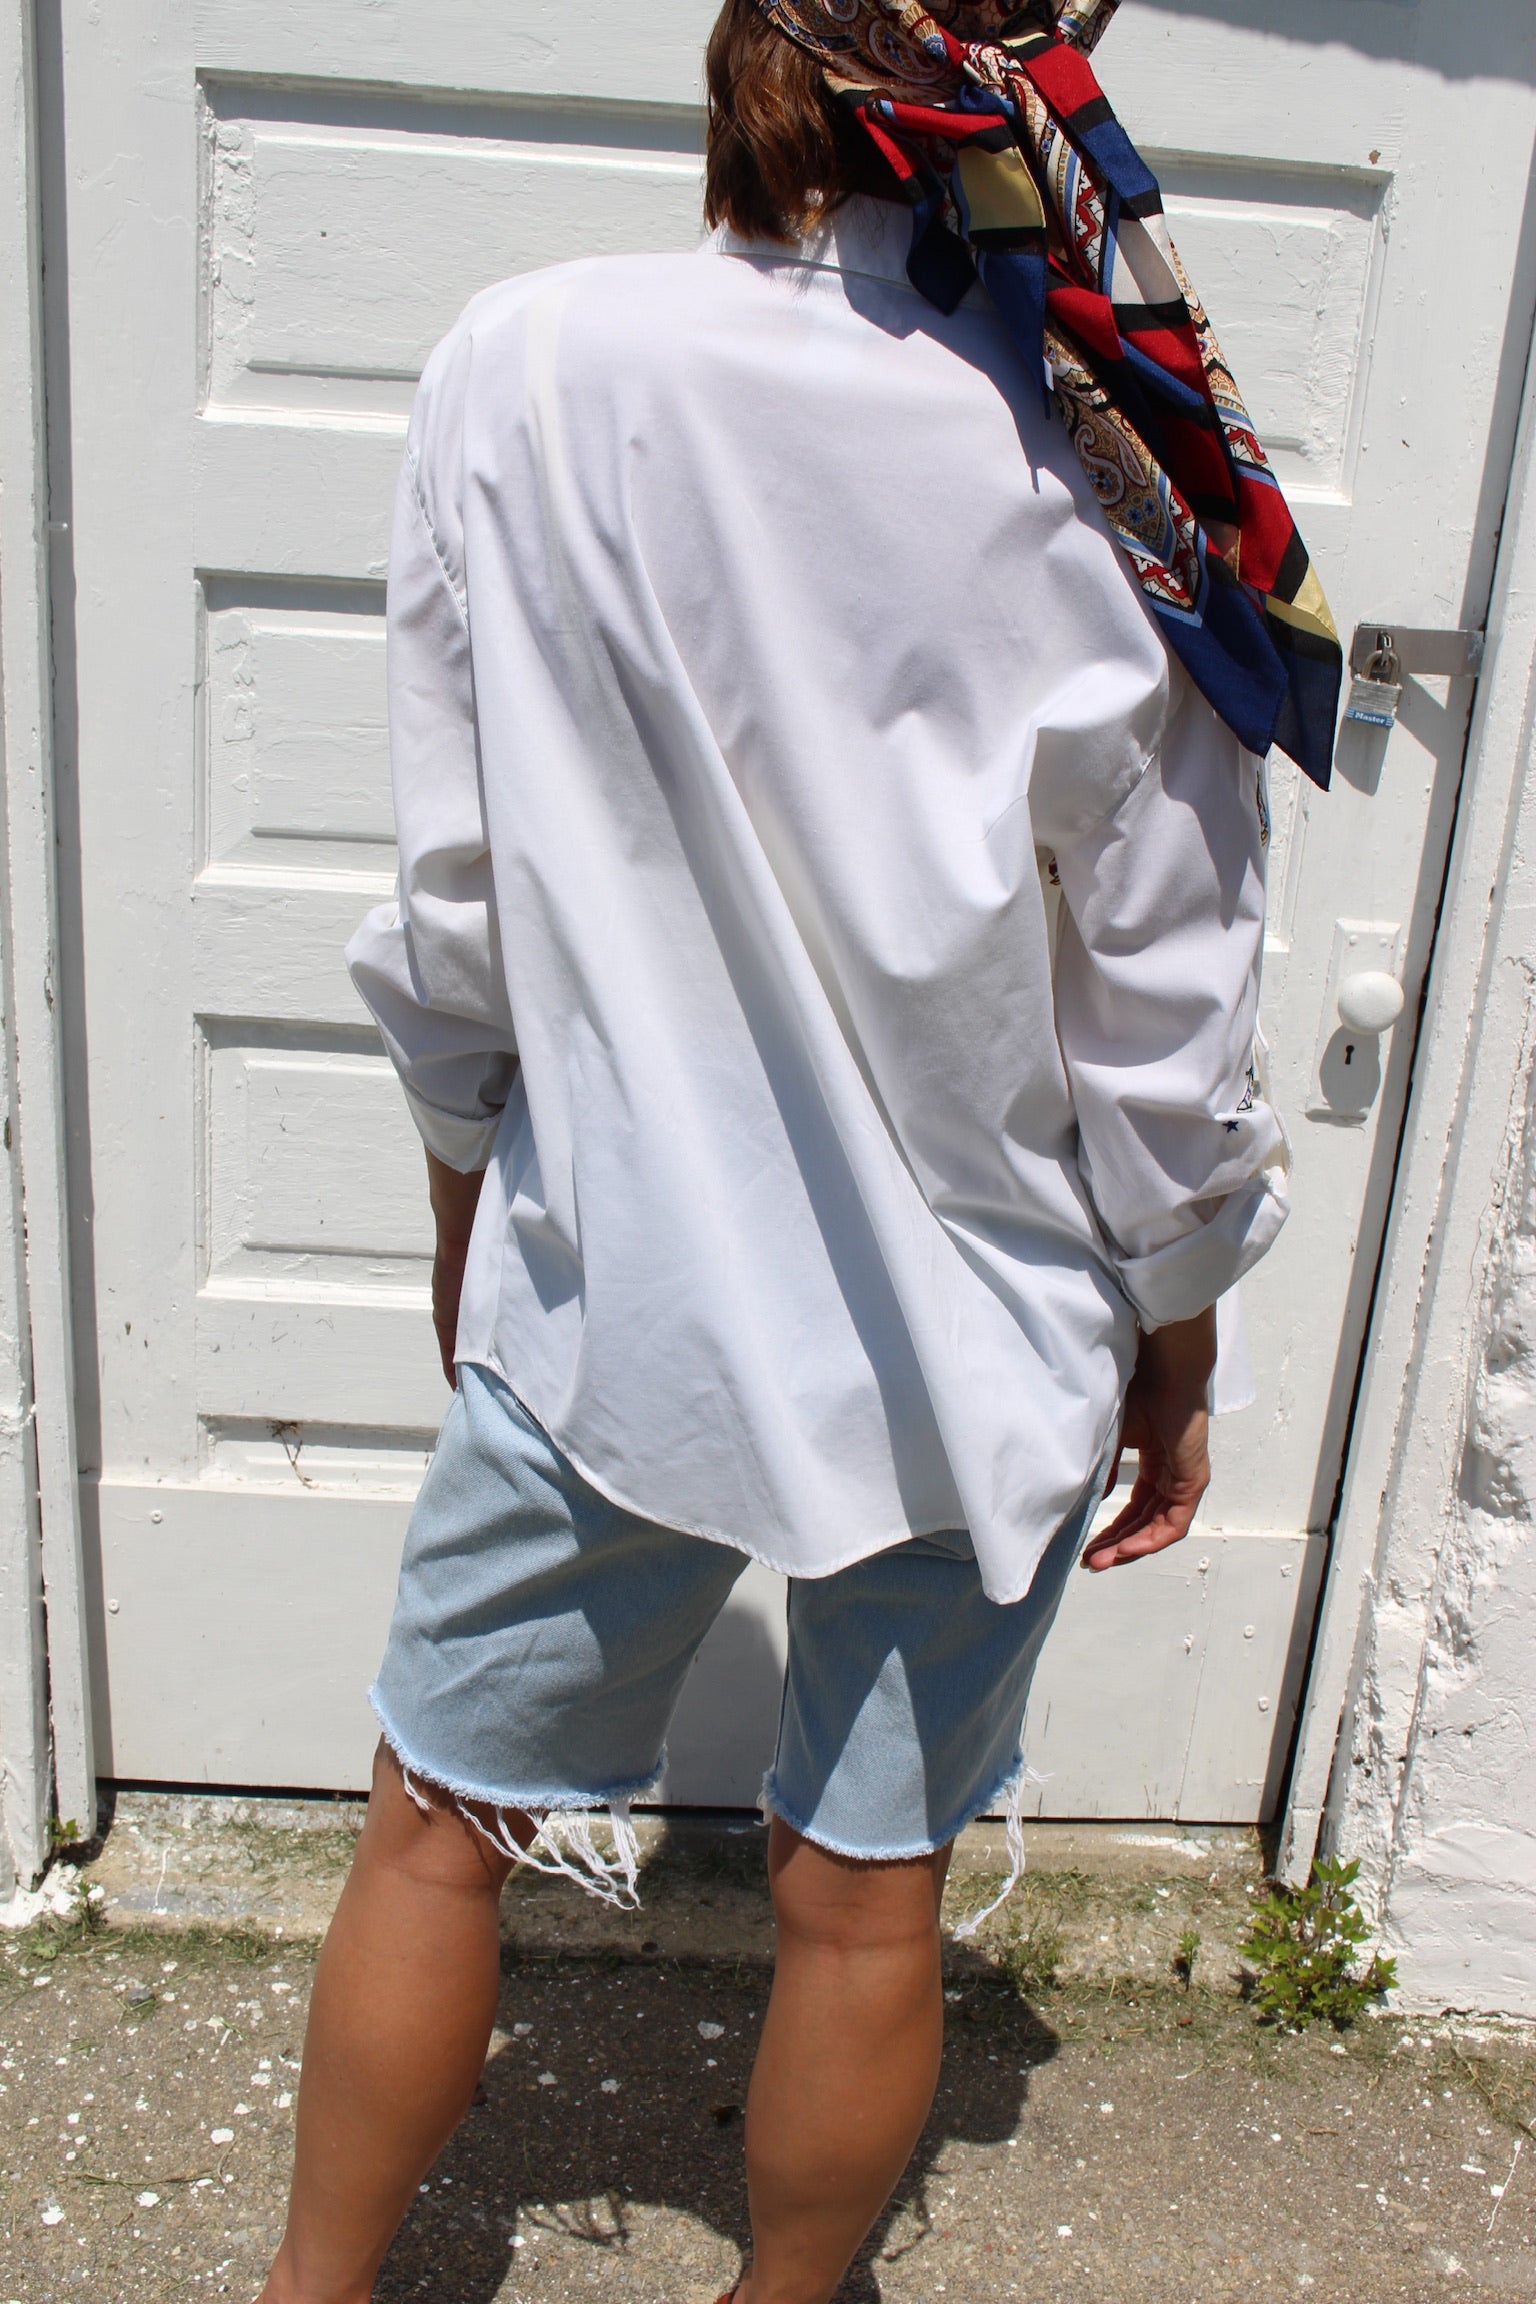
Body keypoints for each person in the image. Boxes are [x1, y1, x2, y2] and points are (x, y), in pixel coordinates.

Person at [256, 3, 1339, 2300]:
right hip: (985, 1323)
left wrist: (464, 1202)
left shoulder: (526, 365)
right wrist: (1178, 1337)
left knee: (437, 1831)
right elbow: (1163, 993)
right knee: (865, 1898)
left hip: (612, 1283)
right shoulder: (1102, 460)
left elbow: (456, 899)